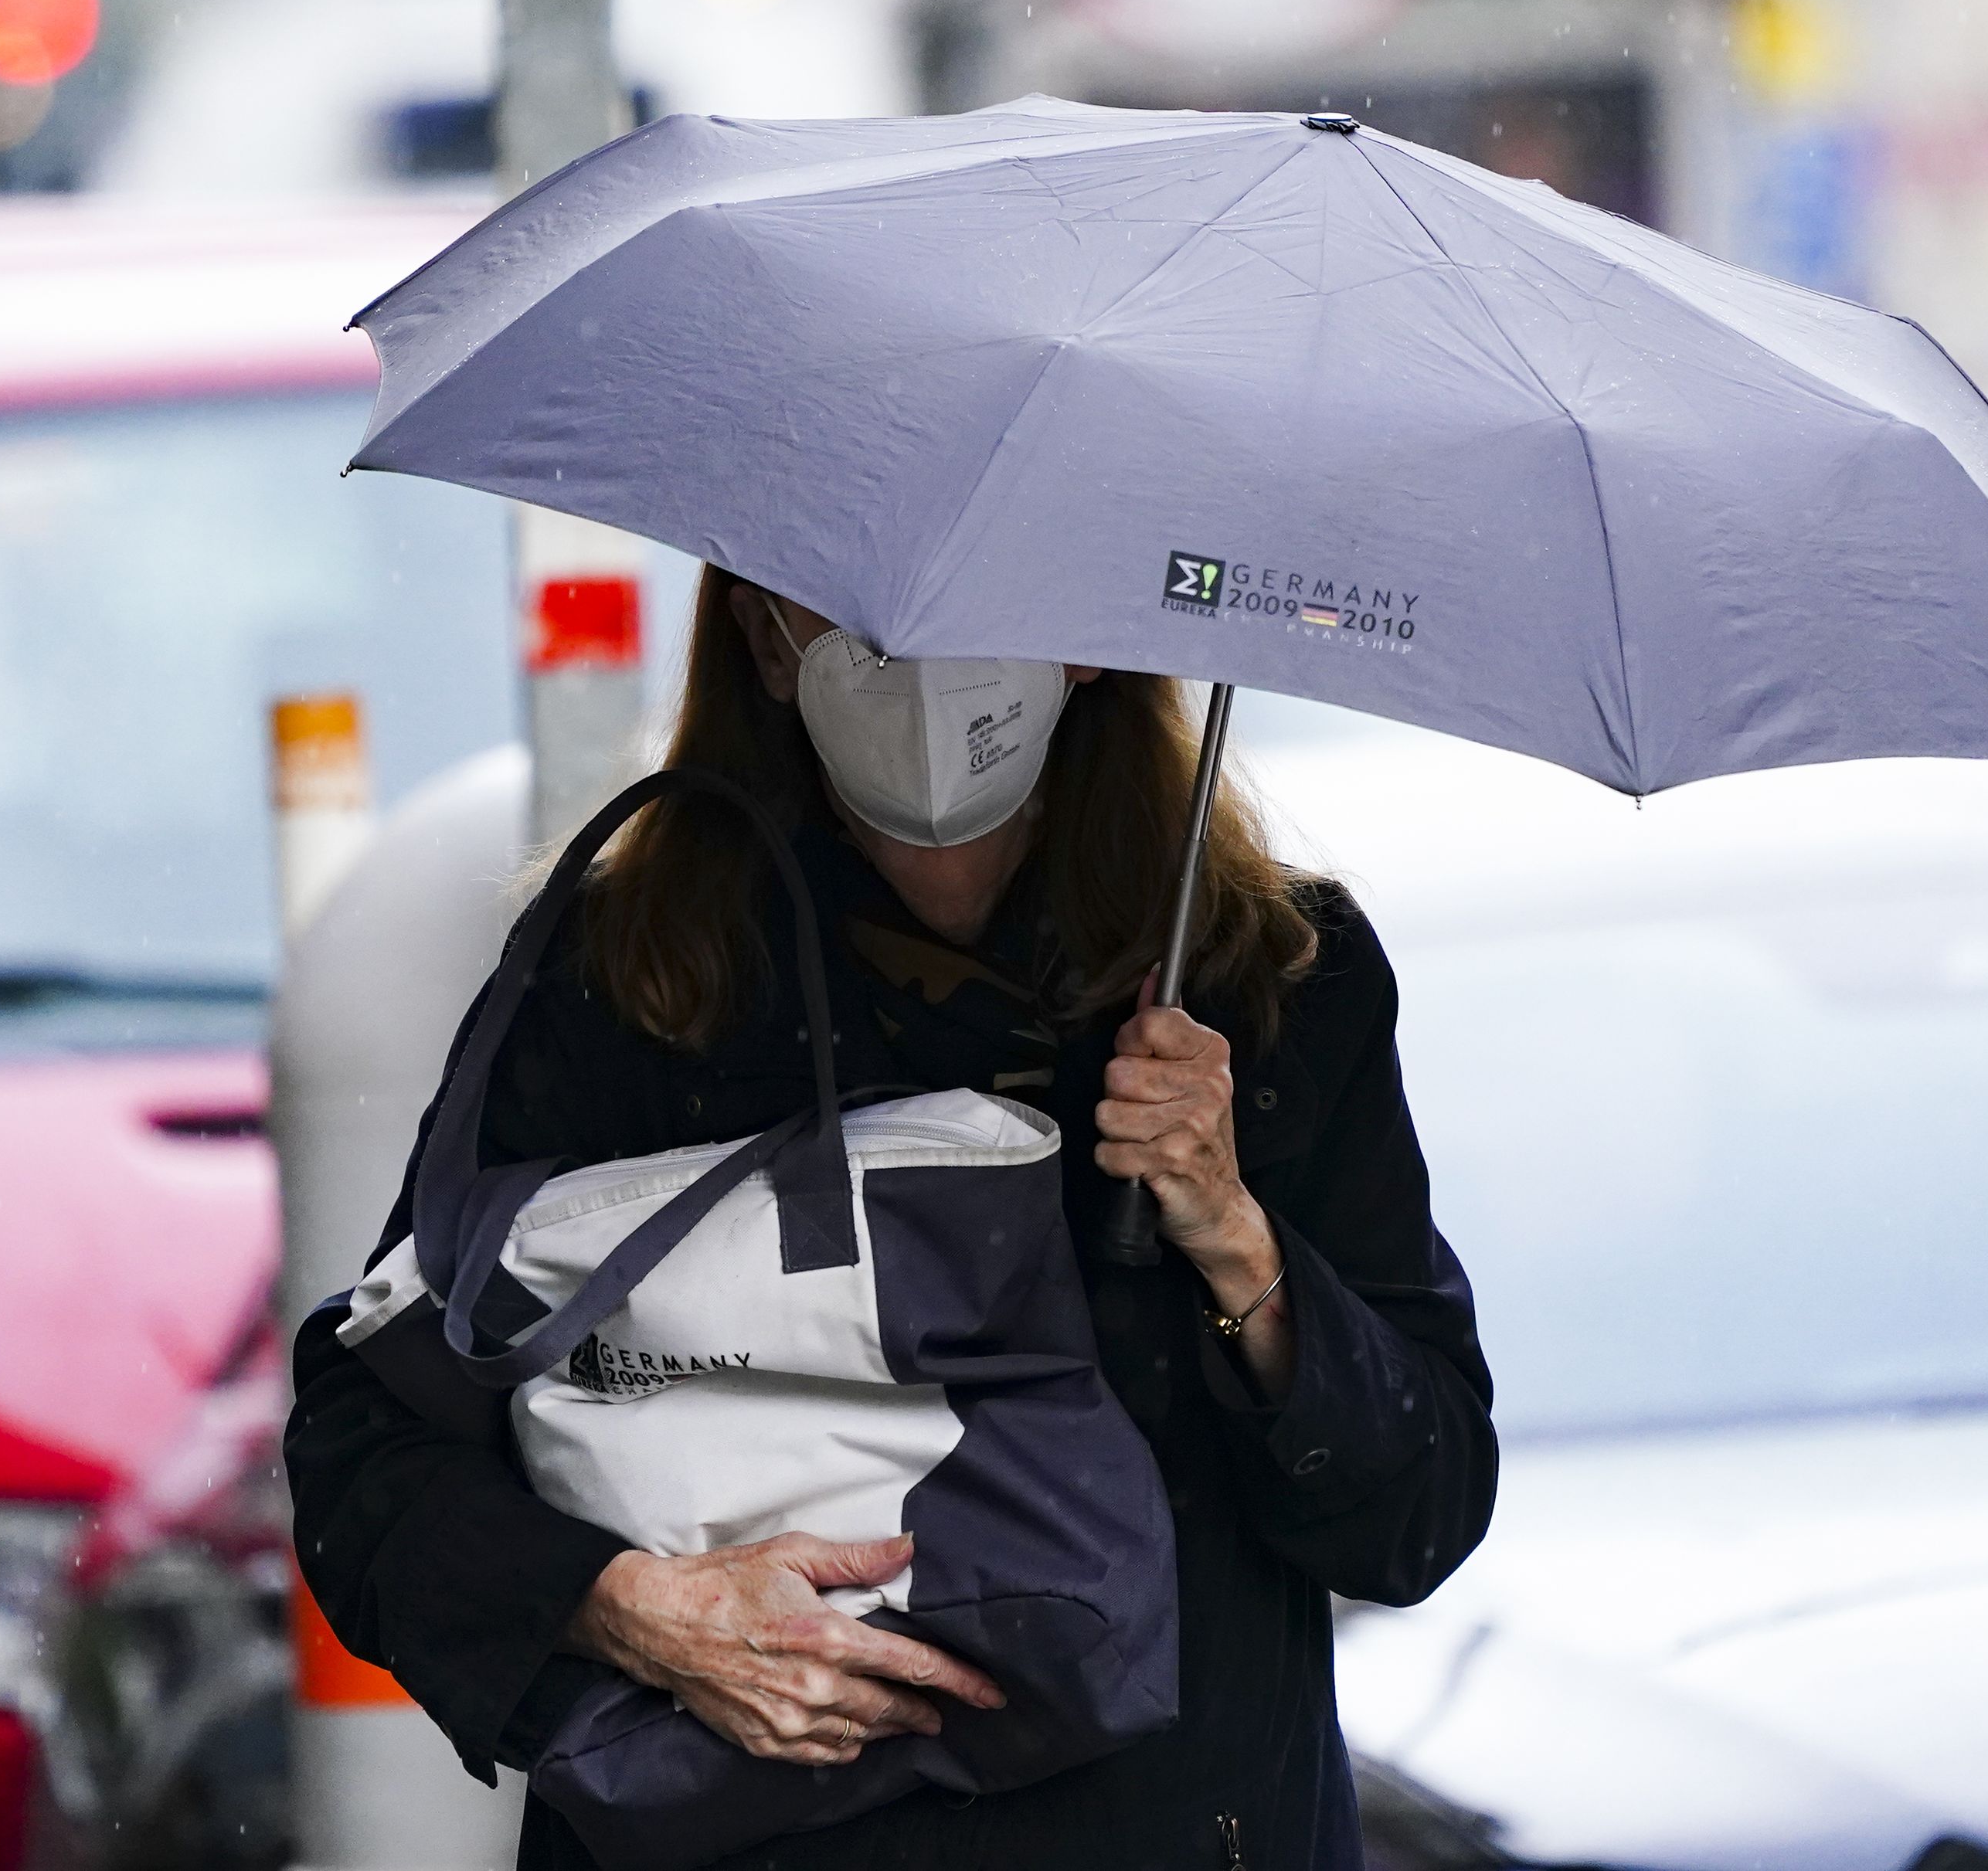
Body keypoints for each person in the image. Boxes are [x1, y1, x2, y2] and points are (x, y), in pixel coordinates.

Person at [285, 569, 1498, 1871]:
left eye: (981, 599)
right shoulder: (631, 976)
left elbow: (1412, 1513)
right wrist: (636, 1609)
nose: (920, 659)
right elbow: (367, 1448)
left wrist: (1231, 1230)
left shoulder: (1266, 985)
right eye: (851, 606)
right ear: (762, 636)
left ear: (1088, 645)